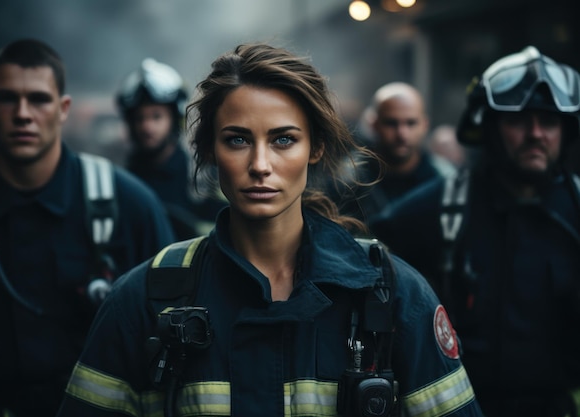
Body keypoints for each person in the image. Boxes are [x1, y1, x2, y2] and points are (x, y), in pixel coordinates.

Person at [57, 42, 482, 417]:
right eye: (238, 140)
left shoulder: (393, 295)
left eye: (283, 140)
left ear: (315, 148)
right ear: (209, 150)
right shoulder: (144, 299)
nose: (260, 165)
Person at [0, 38, 177, 417]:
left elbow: (174, 336)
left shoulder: (128, 205)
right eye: (8, 98)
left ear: (63, 108)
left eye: (39, 99)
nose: (23, 114)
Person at [371, 46, 580, 416]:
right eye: (518, 120)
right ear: (489, 127)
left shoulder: (575, 211)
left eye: (548, 121)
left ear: (566, 129)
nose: (535, 134)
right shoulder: (435, 209)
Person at [116, 58, 227, 240]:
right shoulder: (120, 181)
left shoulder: (202, 179)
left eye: (156, 116)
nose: (147, 127)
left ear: (175, 119)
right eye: (139, 118)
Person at [332, 82, 456, 227]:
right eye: (392, 123)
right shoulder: (349, 181)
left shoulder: (445, 180)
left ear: (424, 125)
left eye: (411, 123)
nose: (402, 134)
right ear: (374, 125)